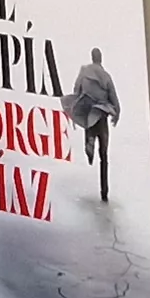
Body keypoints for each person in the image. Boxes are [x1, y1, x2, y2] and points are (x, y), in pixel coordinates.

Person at [64, 47, 119, 202]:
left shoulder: (84, 73)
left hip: (89, 113)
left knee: (89, 127)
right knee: (104, 156)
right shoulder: (106, 76)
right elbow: (113, 97)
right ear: (100, 58)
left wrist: (74, 107)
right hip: (101, 116)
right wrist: (117, 113)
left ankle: (89, 143)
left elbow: (76, 91)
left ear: (92, 57)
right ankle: (104, 191)